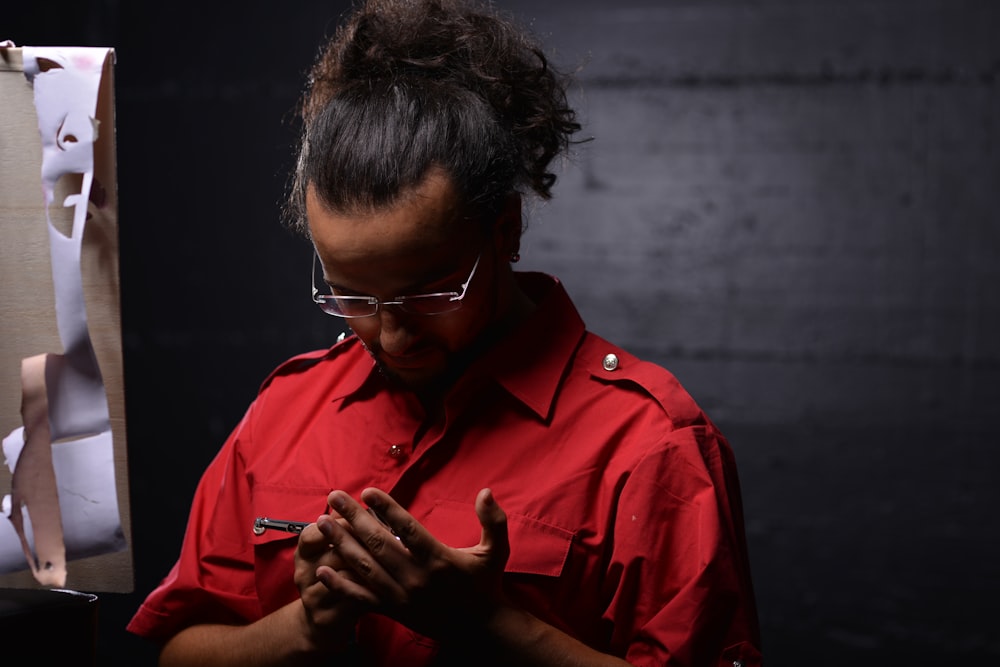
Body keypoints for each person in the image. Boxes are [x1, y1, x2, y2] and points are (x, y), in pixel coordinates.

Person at [127, 0, 761, 664]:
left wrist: (487, 622)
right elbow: (179, 651)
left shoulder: (651, 445)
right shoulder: (286, 410)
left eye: (430, 292)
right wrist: (306, 626)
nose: (393, 334)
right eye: (351, 295)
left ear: (506, 229)